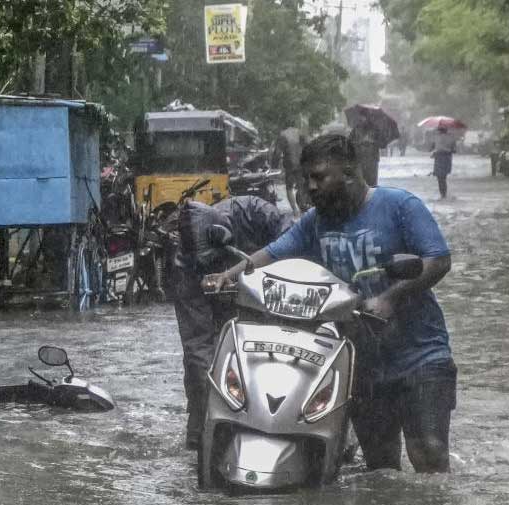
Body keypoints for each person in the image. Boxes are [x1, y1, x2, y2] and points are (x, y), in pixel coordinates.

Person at [204, 133, 457, 473]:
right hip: (361, 360)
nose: (310, 187)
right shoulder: (315, 223)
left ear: (350, 173)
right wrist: (228, 276)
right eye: (308, 178)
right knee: (381, 467)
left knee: (428, 451)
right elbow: (272, 254)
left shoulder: (400, 206)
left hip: (421, 354)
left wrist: (389, 297)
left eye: (320, 177)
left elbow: (438, 259)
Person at [173, 195, 292, 449]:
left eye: (216, 262)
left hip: (271, 298)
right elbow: (197, 343)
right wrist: (211, 395)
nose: (215, 270)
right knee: (199, 368)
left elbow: (294, 238)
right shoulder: (186, 268)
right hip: (220, 313)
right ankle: (200, 433)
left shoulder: (253, 212)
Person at [270, 127, 305, 218]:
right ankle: (303, 207)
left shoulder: (283, 135)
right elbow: (306, 146)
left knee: (289, 188)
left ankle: (295, 210)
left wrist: (273, 167)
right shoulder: (299, 132)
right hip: (301, 163)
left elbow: (277, 153)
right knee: (301, 185)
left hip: (290, 164)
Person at [350, 115, 381, 186]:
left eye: (365, 117)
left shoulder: (375, 129)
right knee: (361, 180)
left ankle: (372, 193)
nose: (363, 119)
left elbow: (382, 143)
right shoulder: (356, 129)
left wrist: (372, 141)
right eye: (362, 118)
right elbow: (350, 141)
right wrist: (360, 142)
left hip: (372, 158)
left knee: (372, 180)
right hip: (360, 158)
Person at [431, 126, 456, 199]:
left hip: (439, 158)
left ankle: (442, 194)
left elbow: (431, 148)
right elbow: (454, 150)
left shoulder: (436, 137)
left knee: (440, 178)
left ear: (439, 130)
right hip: (447, 158)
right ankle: (444, 194)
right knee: (444, 177)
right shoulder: (451, 137)